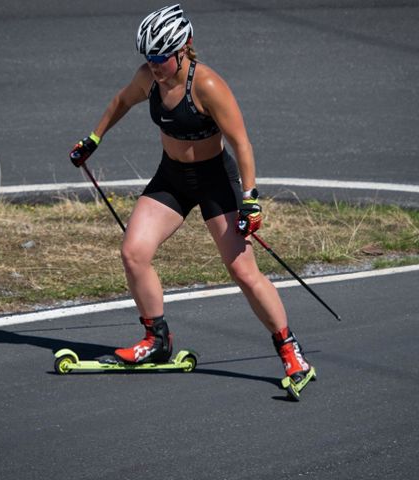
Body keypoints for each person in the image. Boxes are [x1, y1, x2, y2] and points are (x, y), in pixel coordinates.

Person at [70, 4, 312, 382]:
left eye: (161, 58)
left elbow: (241, 143)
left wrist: (251, 198)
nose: (154, 66)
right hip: (172, 178)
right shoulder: (149, 79)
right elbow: (121, 101)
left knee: (242, 271)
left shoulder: (208, 85)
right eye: (148, 58)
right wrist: (94, 139)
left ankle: (290, 350)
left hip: (215, 180)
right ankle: (156, 339)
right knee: (133, 252)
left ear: (184, 48)